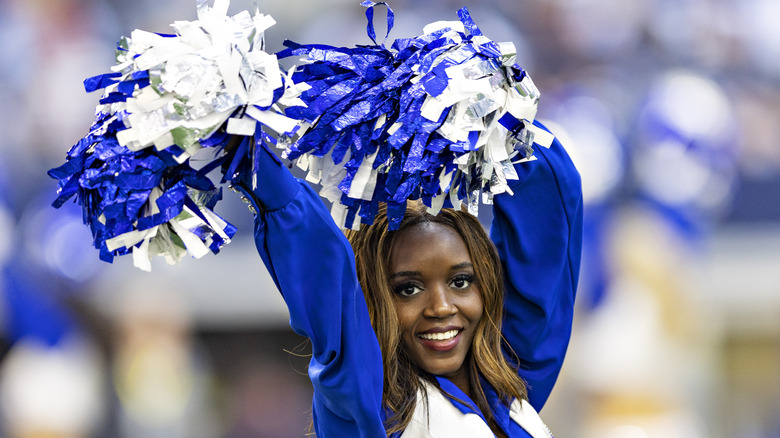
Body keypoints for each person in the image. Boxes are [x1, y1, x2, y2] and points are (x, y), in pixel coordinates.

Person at [230, 118, 583, 437]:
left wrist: (491, 115)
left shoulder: (507, 379)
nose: (442, 307)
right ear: (370, 301)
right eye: (408, 289)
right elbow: (321, 261)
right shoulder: (374, 408)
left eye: (460, 282)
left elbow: (547, 214)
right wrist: (246, 152)